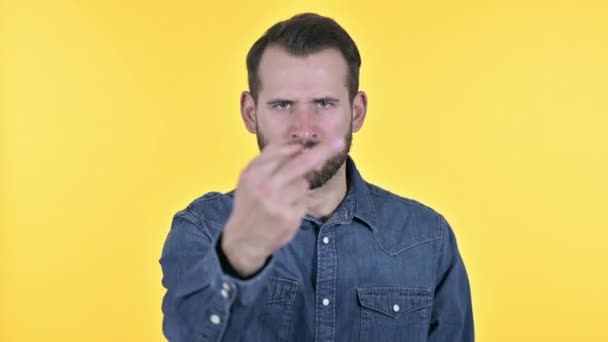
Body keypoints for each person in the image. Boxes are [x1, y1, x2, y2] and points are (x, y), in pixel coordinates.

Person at [159, 12, 474, 342]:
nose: (304, 129)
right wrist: (237, 259)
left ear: (357, 111)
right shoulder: (204, 230)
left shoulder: (427, 237)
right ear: (251, 114)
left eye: (324, 103)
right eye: (282, 105)